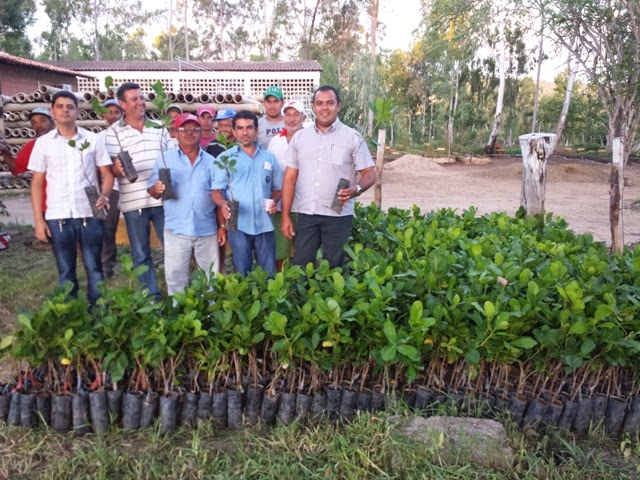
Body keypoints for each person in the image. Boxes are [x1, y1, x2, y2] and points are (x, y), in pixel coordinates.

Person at [28, 91, 114, 304]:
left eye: (70, 106)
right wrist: (39, 220)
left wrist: (104, 195)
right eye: (60, 106)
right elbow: (37, 183)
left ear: (77, 111)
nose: (65, 110)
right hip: (58, 216)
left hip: (89, 214)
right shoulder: (44, 143)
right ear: (53, 112)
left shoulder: (92, 140)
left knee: (94, 268)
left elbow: (107, 174)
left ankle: (98, 314)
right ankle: (71, 315)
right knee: (66, 271)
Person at [281, 86, 376, 269]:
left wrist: (356, 189)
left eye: (330, 103)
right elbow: (290, 178)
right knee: (301, 265)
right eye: (319, 103)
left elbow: (370, 173)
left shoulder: (352, 137)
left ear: (338, 106)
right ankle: (306, 298)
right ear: (313, 107)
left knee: (334, 266)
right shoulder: (300, 138)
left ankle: (332, 297)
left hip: (337, 215)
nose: (324, 108)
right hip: (307, 213)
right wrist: (285, 215)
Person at [105, 82, 171, 299]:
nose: (140, 102)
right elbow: (111, 169)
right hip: (133, 203)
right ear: (122, 103)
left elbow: (171, 159)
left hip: (163, 200)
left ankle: (177, 292)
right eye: (134, 99)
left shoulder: (159, 127)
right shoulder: (112, 134)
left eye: (141, 98)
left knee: (172, 248)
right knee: (141, 253)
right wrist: (117, 168)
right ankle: (151, 297)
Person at [147, 113, 225, 295]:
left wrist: (221, 226)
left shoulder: (212, 163)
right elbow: (151, 191)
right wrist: (156, 189)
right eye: (184, 129)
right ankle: (178, 313)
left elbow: (218, 196)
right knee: (176, 277)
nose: (189, 133)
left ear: (201, 132)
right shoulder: (165, 160)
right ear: (175, 132)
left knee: (210, 277)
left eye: (194, 129)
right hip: (177, 229)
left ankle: (209, 314)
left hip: (206, 229)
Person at [212, 110, 282, 276]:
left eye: (249, 127)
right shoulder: (225, 158)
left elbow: (278, 189)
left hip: (264, 224)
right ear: (234, 131)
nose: (245, 132)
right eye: (240, 128)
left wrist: (273, 202)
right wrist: (223, 204)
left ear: (256, 131)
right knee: (242, 273)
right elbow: (215, 191)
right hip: (238, 225)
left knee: (269, 273)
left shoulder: (269, 158)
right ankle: (245, 302)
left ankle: (267, 301)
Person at [268, 100, 306, 271]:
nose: (292, 119)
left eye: (296, 114)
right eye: (288, 114)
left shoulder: (311, 139)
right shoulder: (275, 141)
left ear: (303, 117)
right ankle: (281, 284)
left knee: (304, 251)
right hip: (280, 205)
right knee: (280, 251)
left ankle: (302, 287)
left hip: (306, 206)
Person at [0, 107, 55, 214]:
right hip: (47, 204)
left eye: (42, 121)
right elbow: (16, 169)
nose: (38, 125)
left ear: (52, 123)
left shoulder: (67, 142)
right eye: (34, 122)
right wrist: (5, 152)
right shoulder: (32, 146)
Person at [97, 99, 123, 278]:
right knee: (107, 227)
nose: (113, 115)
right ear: (102, 115)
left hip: (135, 187)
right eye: (109, 112)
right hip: (112, 188)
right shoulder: (99, 138)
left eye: (116, 112)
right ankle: (107, 267)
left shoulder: (130, 133)